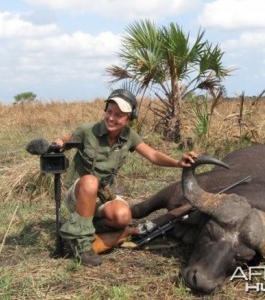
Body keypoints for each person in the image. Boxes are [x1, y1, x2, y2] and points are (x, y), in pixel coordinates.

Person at [53, 89, 197, 267]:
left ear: (128, 119)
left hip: (103, 195)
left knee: (123, 216)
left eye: (118, 115)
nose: (111, 118)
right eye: (109, 112)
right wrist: (57, 143)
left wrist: (177, 162)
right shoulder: (87, 131)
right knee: (90, 181)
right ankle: (82, 247)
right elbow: (65, 140)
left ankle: (99, 229)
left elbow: (153, 155)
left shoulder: (129, 136)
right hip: (79, 194)